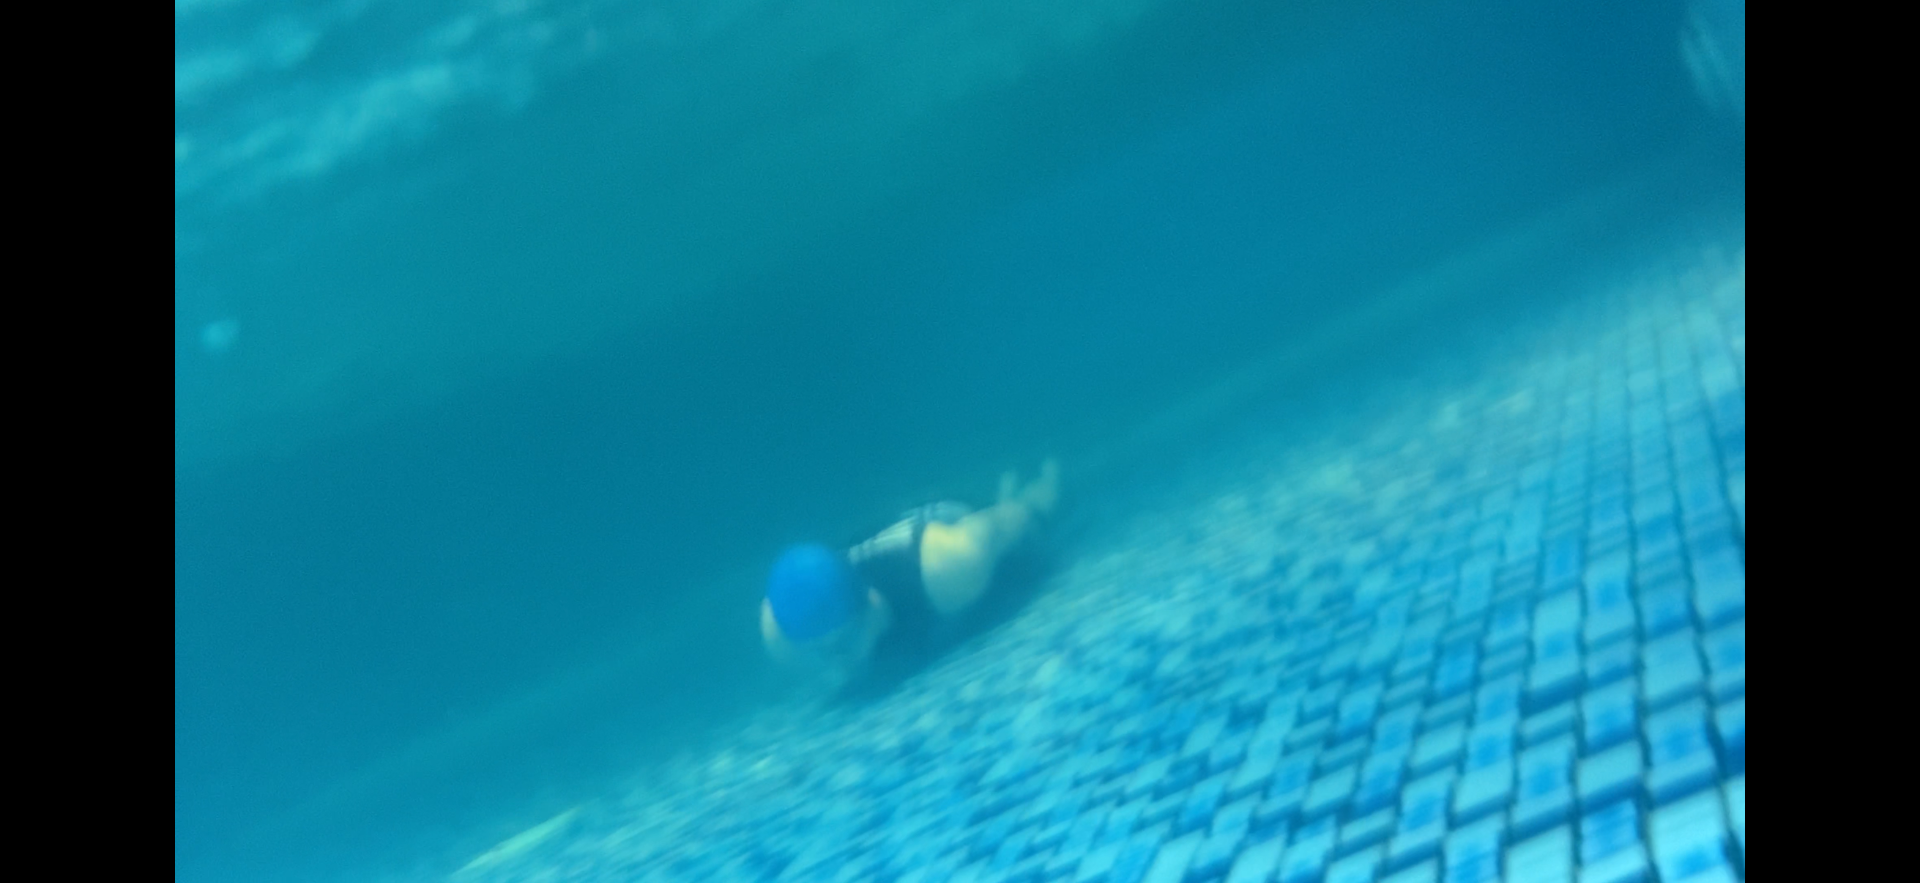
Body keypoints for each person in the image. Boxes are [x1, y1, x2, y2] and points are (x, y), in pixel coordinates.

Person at [759, 459, 1061, 682]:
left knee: (1037, 522)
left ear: (872, 601)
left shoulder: (950, 566)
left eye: (845, 643)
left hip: (949, 516)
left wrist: (1035, 504)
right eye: (821, 652)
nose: (840, 662)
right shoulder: (784, 634)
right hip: (880, 534)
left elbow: (1007, 522)